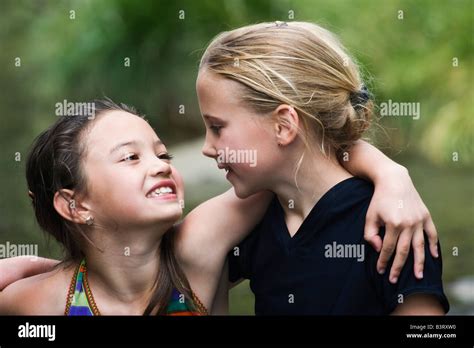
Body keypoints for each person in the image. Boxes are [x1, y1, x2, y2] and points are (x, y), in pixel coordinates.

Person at [196, 21, 449, 314]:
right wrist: (390, 171)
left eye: (217, 127)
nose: (207, 147)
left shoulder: (392, 225)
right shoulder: (255, 222)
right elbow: (178, 263)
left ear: (284, 125)